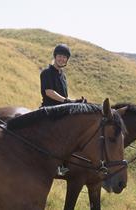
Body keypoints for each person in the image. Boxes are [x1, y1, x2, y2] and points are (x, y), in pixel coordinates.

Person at [40, 44, 86, 175]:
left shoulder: (63, 76)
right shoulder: (46, 73)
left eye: (64, 57)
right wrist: (67, 101)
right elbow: (49, 92)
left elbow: (64, 96)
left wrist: (75, 101)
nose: (62, 59)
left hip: (62, 111)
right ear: (55, 57)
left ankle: (66, 164)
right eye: (60, 56)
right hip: (50, 111)